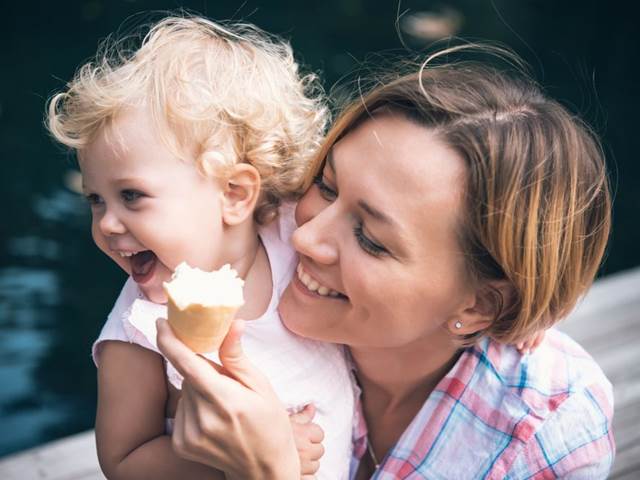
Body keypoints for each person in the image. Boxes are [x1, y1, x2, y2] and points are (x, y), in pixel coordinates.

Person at [157, 46, 615, 479]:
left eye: (371, 240)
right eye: (327, 186)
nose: (304, 236)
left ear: (479, 307)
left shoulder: (547, 437)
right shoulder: (253, 240)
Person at [46, 15, 354, 480]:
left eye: (132, 195)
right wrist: (244, 453)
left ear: (234, 194)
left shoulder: (294, 239)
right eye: (95, 199)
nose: (107, 223)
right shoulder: (139, 332)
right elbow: (123, 460)